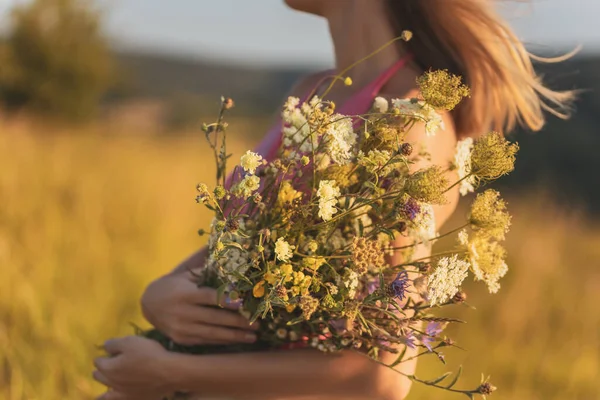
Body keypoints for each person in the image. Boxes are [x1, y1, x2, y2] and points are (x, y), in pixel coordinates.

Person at [93, 1, 573, 399]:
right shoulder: (313, 91)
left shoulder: (412, 123)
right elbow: (241, 249)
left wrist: (173, 374)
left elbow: (381, 375)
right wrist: (161, 293)